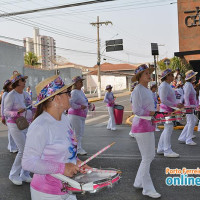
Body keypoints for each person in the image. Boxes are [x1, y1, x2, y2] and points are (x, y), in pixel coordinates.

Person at [22, 75, 90, 200]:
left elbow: (65, 151)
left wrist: (77, 162)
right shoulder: (40, 125)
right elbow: (28, 162)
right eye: (68, 93)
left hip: (68, 188)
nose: (70, 96)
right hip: (46, 193)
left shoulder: (64, 119)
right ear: (57, 98)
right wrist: (62, 168)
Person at [131, 64, 161, 199]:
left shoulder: (147, 90)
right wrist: (152, 111)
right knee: (147, 157)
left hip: (148, 124)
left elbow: (150, 107)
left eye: (149, 73)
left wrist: (155, 111)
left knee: (149, 156)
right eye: (146, 74)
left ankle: (138, 182)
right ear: (139, 77)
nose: (149, 75)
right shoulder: (137, 90)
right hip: (140, 125)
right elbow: (136, 110)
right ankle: (147, 189)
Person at [4, 71, 33, 185]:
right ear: (17, 83)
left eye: (25, 80)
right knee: (23, 150)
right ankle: (13, 175)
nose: (25, 82)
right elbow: (6, 112)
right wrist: (16, 112)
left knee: (28, 149)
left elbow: (30, 105)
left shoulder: (25, 94)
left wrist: (34, 110)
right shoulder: (11, 95)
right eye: (23, 80)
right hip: (14, 124)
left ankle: (25, 174)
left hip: (25, 123)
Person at [157, 69, 183, 158]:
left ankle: (160, 148)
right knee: (168, 129)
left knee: (167, 129)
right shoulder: (164, 86)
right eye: (171, 75)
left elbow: (170, 98)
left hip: (169, 110)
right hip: (166, 111)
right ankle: (167, 150)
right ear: (167, 76)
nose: (173, 76)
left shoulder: (167, 85)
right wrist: (176, 104)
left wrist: (177, 104)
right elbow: (163, 100)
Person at [68, 76, 88, 155]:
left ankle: (77, 148)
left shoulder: (81, 92)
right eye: (80, 81)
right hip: (75, 115)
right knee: (77, 133)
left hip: (81, 115)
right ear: (75, 83)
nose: (81, 83)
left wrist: (88, 105)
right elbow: (70, 103)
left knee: (80, 133)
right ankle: (77, 149)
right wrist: (79, 107)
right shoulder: (74, 92)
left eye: (81, 81)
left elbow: (84, 102)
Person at [178, 70, 198, 145]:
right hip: (189, 106)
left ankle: (183, 137)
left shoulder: (189, 84)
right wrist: (188, 105)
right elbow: (186, 96)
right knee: (191, 122)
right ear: (192, 77)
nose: (195, 76)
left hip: (190, 106)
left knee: (191, 121)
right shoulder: (188, 85)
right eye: (194, 75)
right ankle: (188, 139)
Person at [1, 79, 18, 153]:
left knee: (13, 131)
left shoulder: (13, 93)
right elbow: (3, 106)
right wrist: (3, 117)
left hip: (13, 114)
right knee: (11, 132)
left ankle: (12, 145)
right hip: (7, 115)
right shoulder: (5, 94)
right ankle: (12, 147)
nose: (11, 85)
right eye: (9, 84)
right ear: (7, 86)